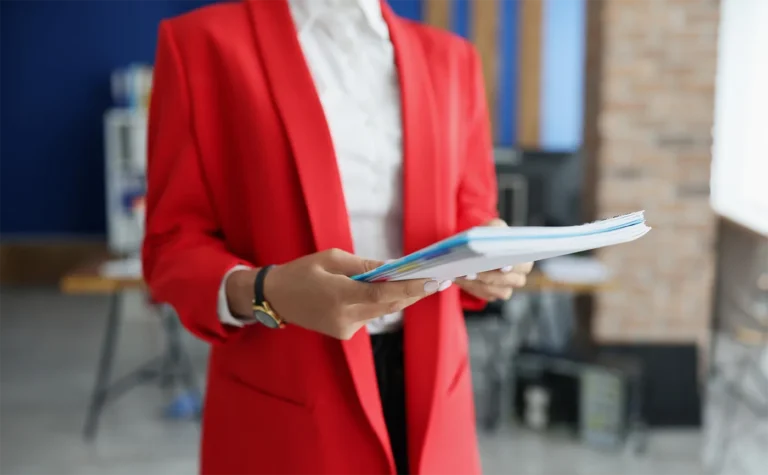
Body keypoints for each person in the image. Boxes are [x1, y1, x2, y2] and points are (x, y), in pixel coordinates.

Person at [142, 0, 533, 474]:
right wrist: (266, 291)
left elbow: (471, 209)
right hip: (288, 401)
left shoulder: (452, 58)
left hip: (433, 391)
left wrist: (492, 254)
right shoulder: (201, 44)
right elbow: (172, 244)